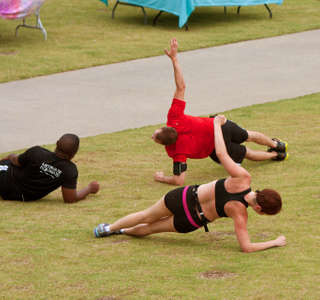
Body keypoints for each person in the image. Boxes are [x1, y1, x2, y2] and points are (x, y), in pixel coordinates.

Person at [94, 115, 286, 253]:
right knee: (151, 229)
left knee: (146, 215)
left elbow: (221, 153)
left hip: (182, 197)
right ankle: (122, 231)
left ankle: (108, 229)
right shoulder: (240, 213)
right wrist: (274, 242)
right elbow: (246, 247)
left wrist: (217, 126)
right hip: (191, 220)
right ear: (259, 209)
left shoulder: (243, 178)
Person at [152, 38, 288, 186]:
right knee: (249, 135)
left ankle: (276, 155)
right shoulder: (174, 117)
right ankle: (277, 145)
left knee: (247, 153)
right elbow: (181, 87)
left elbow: (179, 180)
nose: (152, 136)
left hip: (217, 146)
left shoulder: (176, 151)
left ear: (163, 144)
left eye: (155, 136)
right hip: (220, 124)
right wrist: (174, 59)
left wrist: (161, 178)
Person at [0, 133, 100, 203]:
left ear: (57, 143)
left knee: (8, 162)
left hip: (5, 179)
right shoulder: (70, 170)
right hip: (21, 196)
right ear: (75, 152)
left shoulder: (37, 152)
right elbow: (70, 199)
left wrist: (11, 156)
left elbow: (16, 162)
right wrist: (89, 189)